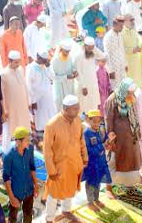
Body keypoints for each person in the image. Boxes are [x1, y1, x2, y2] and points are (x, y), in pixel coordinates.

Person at [43, 95, 87, 223]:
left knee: (71, 187)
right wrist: (51, 170)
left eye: (78, 108)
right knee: (53, 193)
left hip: (74, 162)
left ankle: (66, 211)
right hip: (59, 166)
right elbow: (47, 150)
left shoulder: (78, 120)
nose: (77, 111)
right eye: (74, 109)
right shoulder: (52, 125)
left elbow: (81, 140)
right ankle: (50, 219)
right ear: (65, 109)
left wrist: (85, 157)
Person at [104, 78, 142, 186]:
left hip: (131, 136)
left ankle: (130, 182)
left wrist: (138, 130)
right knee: (117, 161)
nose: (131, 94)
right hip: (120, 138)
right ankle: (110, 186)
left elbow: (134, 114)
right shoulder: (112, 100)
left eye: (132, 92)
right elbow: (108, 120)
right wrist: (111, 139)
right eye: (129, 93)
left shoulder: (131, 97)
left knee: (132, 160)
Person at [2, 127, 38, 223]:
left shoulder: (30, 148)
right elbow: (6, 178)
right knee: (12, 218)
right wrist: (12, 197)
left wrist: (36, 186)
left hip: (29, 189)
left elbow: (32, 166)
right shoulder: (8, 155)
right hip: (16, 192)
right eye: (26, 140)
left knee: (28, 214)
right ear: (18, 142)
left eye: (29, 139)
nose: (29, 142)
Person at [0, 50, 32, 154]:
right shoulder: (3, 74)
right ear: (10, 61)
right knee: (9, 131)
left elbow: (25, 86)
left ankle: (23, 149)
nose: (18, 64)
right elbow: (2, 94)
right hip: (11, 108)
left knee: (24, 128)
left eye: (19, 61)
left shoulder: (21, 69)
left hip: (22, 106)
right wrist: (4, 109)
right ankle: (6, 153)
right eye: (16, 62)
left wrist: (28, 101)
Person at [81, 109, 112, 212]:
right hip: (91, 163)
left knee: (97, 181)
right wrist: (103, 146)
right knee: (90, 182)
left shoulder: (101, 130)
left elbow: (105, 140)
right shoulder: (86, 133)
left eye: (98, 121)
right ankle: (90, 203)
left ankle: (96, 199)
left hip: (101, 161)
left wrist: (109, 140)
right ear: (88, 121)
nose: (96, 124)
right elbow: (88, 150)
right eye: (94, 121)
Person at [50, 40, 77, 112]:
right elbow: (53, 76)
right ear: (61, 49)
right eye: (66, 51)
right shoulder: (55, 60)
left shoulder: (70, 57)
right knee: (60, 106)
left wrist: (74, 72)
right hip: (59, 87)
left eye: (68, 51)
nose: (67, 53)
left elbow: (73, 67)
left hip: (69, 86)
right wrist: (66, 77)